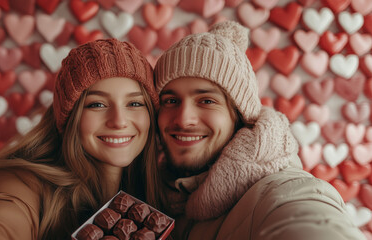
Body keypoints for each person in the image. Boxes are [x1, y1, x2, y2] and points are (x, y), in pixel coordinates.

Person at [154, 20, 366, 240]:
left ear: (239, 114)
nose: (184, 119)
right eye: (170, 101)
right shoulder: (158, 192)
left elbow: (310, 220)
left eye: (206, 101)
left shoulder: (285, 191)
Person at [0, 38, 162, 240]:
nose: (119, 121)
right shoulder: (19, 184)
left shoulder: (160, 188)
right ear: (70, 118)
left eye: (135, 104)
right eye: (97, 104)